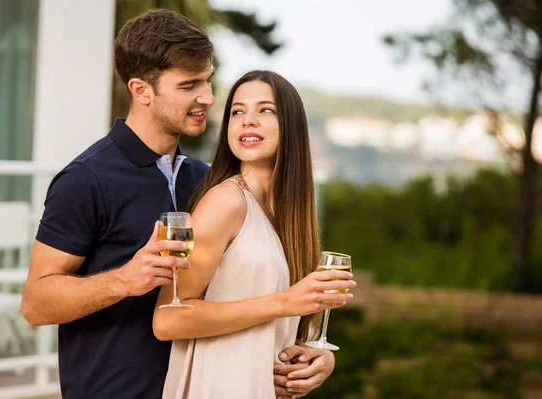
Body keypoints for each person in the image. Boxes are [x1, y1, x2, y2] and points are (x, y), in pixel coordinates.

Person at [21, 9, 347, 399]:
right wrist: (125, 279)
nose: (207, 98)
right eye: (190, 85)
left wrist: (313, 353)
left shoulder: (206, 180)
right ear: (142, 90)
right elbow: (36, 305)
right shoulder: (87, 179)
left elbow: (240, 290)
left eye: (208, 81)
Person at [153, 70, 356, 399]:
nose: (248, 120)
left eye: (265, 110)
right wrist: (284, 303)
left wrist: (318, 359)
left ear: (290, 125)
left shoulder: (289, 216)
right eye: (237, 111)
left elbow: (275, 326)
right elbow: (167, 319)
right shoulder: (226, 201)